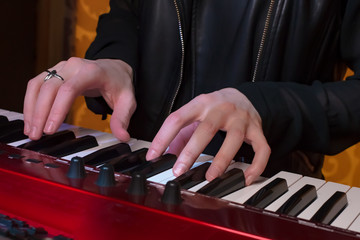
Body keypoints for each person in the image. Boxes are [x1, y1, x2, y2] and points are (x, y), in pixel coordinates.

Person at [23, 0, 360, 186]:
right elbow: (126, 14)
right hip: (137, 173)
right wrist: (115, 60)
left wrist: (267, 106)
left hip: (267, 188)